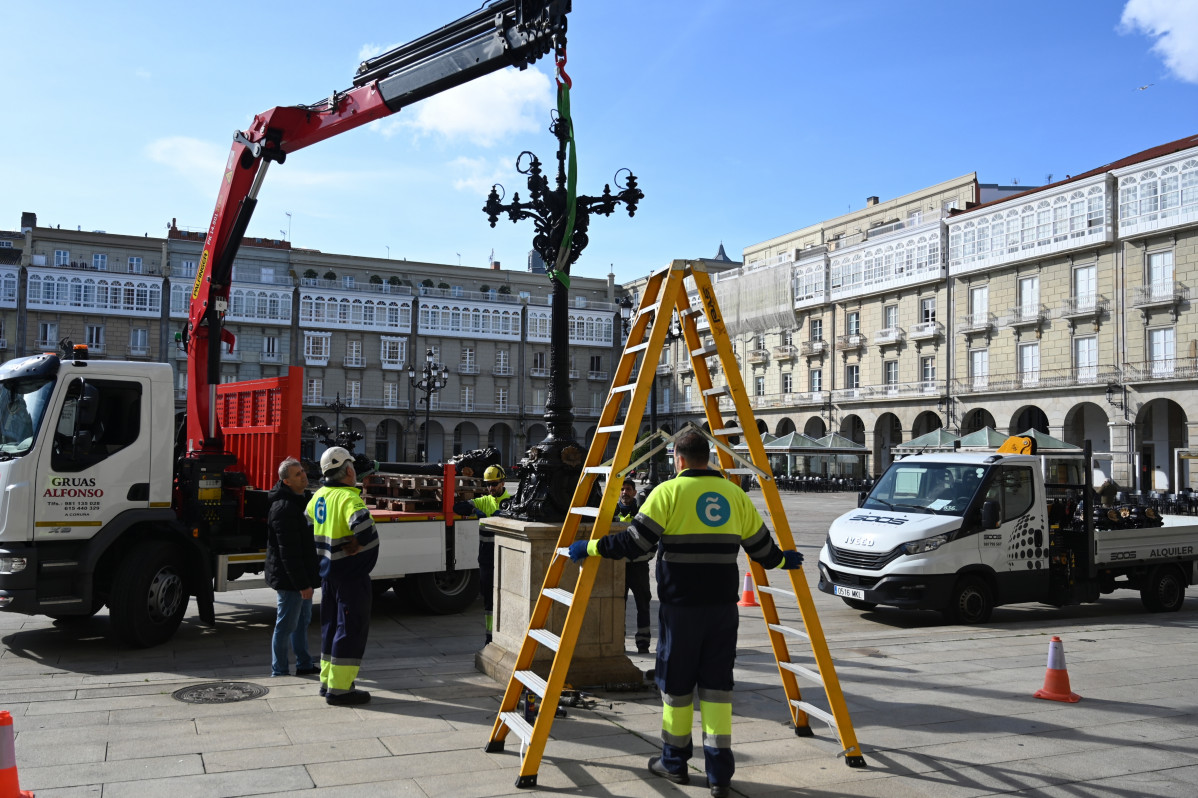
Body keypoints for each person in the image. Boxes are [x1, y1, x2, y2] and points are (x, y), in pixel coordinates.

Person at [567, 430, 803, 798]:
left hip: (681, 610)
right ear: (706, 456)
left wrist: (591, 547)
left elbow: (634, 543)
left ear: (677, 458)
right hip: (723, 611)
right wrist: (784, 560)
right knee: (717, 687)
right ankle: (719, 775)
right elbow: (762, 551)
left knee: (676, 688)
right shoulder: (734, 494)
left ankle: (674, 763)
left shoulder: (667, 493)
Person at [308, 447, 379, 706]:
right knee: (350, 630)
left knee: (330, 627)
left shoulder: (319, 496)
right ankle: (340, 690)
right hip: (351, 575)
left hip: (329, 575)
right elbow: (365, 530)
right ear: (349, 471)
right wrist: (357, 543)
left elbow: (306, 524)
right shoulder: (349, 498)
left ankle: (327, 682)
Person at [266, 457, 321, 678]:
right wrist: (302, 584)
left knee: (302, 622)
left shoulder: (304, 501)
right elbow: (288, 553)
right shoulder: (283, 508)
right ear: (286, 482)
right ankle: (279, 670)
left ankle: (304, 663)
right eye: (297, 474)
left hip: (303, 576)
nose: (304, 475)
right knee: (286, 625)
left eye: (303, 472)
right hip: (291, 580)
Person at [455, 465, 511, 645]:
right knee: (488, 599)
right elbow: (458, 507)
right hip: (487, 559)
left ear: (503, 483)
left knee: (507, 597)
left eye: (494, 484)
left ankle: (506, 634)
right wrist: (473, 510)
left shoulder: (512, 501)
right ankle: (489, 637)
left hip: (505, 557)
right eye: (488, 484)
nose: (491, 488)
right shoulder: (484, 501)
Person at [616, 477, 653, 654]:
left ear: (634, 492)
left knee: (643, 605)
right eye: (622, 489)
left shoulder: (642, 513)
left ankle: (643, 644)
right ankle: (618, 642)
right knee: (617, 605)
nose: (625, 492)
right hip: (618, 568)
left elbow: (653, 541)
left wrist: (642, 557)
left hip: (639, 567)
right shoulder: (612, 513)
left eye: (628, 489)